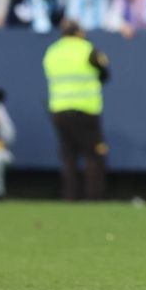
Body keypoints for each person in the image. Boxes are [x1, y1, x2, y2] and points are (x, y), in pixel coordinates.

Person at [43, 20, 110, 201]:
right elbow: (105, 74)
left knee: (68, 156)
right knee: (93, 156)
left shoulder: (52, 52)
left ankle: (70, 197)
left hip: (59, 109)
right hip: (86, 109)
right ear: (78, 32)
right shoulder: (88, 50)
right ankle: (93, 197)